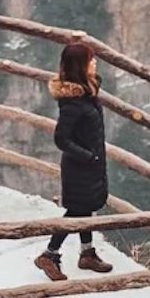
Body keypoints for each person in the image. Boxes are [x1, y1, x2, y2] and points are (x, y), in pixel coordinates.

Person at [34, 40, 113, 282]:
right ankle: (49, 254)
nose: (94, 63)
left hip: (90, 164)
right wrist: (88, 156)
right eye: (90, 59)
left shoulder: (86, 92)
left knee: (85, 208)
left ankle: (86, 253)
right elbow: (61, 138)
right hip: (80, 167)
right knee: (76, 211)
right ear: (81, 65)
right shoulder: (73, 102)